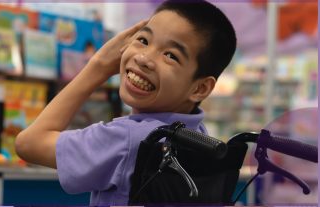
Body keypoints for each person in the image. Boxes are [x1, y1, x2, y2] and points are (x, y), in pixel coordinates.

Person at [15, 0, 236, 205]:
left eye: (170, 55)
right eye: (143, 40)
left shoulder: (128, 139)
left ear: (200, 88)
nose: (144, 58)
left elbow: (28, 144)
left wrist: (98, 66)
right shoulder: (198, 135)